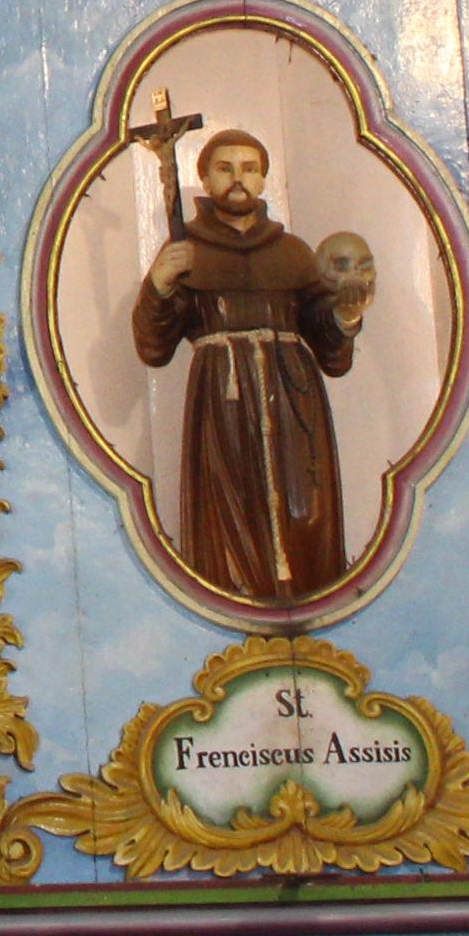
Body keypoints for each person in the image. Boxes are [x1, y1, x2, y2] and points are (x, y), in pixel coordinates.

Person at [123, 120, 355, 601]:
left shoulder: (292, 252)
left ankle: (309, 605)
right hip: (222, 404)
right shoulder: (186, 252)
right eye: (224, 168)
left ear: (264, 180)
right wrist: (160, 286)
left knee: (303, 509)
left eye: (250, 169)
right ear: (205, 180)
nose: (238, 178)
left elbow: (331, 350)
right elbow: (154, 347)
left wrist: (347, 315)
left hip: (295, 404)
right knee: (230, 514)